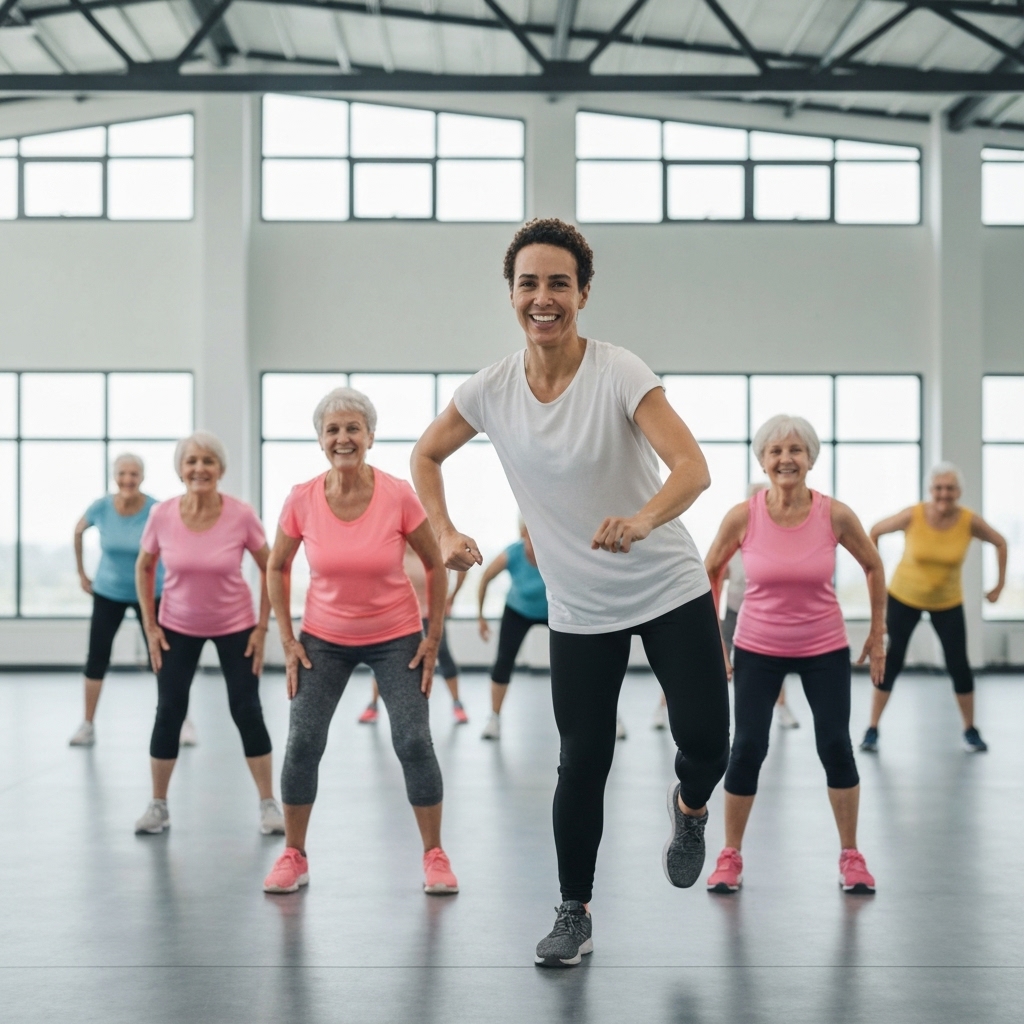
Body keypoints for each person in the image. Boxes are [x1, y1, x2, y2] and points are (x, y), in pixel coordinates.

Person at [412, 219, 730, 967]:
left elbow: (691, 467)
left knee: (709, 745)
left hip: (667, 585)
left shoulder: (619, 372)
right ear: (512, 295)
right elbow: (427, 452)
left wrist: (645, 518)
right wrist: (445, 528)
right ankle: (573, 910)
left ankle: (688, 809)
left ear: (583, 293)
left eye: (559, 283)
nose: (543, 297)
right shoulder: (490, 391)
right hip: (580, 607)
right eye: (529, 284)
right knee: (581, 761)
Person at [263, 388, 458, 897]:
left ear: (370, 437)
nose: (343, 438)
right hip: (322, 638)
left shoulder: (397, 494)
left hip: (397, 636)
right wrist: (286, 637)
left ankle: (434, 855)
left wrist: (432, 635)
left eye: (353, 429)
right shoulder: (302, 498)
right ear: (320, 441)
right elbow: (277, 565)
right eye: (333, 430)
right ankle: (294, 854)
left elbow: (435, 563)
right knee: (303, 742)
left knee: (413, 740)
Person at [702, 415, 886, 897]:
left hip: (823, 646)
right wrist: (715, 639)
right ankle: (730, 856)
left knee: (835, 747)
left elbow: (872, 564)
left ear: (810, 458)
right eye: (776, 451)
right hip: (758, 646)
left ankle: (851, 856)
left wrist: (878, 630)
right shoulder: (744, 516)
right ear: (762, 461)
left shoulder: (835, 514)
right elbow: (711, 570)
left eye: (796, 450)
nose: (786, 459)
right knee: (746, 749)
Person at [133, 432, 284, 837]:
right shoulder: (162, 514)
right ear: (181, 469)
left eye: (208, 461)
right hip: (176, 626)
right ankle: (158, 805)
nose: (199, 468)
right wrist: (150, 625)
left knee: (247, 709)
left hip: (235, 624)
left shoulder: (240, 514)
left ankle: (269, 804)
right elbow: (144, 566)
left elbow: (272, 567)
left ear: (220, 469)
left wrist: (263, 625)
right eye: (191, 461)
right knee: (169, 712)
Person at [860, 462, 1008, 755]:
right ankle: (872, 728)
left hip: (947, 602)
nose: (944, 494)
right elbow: (874, 531)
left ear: (958, 492)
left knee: (959, 666)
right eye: (938, 488)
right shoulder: (913, 515)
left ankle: (970, 730)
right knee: (892, 660)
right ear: (930, 490)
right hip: (904, 597)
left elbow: (1000, 542)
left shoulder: (969, 521)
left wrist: (999, 586)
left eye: (950, 488)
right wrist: (876, 573)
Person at [68, 454, 197, 747]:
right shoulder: (101, 507)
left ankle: (183, 721)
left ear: (142, 477)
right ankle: (87, 724)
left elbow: (178, 541)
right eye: (123, 473)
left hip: (152, 592)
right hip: (108, 591)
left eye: (134, 474)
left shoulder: (155, 508)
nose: (128, 479)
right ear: (115, 476)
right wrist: (81, 573)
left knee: (165, 657)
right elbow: (78, 531)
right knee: (96, 657)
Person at [653, 484, 798, 731]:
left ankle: (782, 707)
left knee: (775, 660)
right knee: (695, 658)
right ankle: (662, 708)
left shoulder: (776, 544)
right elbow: (714, 577)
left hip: (762, 617)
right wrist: (711, 622)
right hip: (732, 614)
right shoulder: (738, 539)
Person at [358, 546, 468, 725]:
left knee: (444, 655)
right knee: (383, 656)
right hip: (400, 614)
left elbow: (461, 568)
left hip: (431, 614)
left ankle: (457, 703)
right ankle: (373, 704)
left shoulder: (437, 548)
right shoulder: (397, 547)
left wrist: (452, 597)